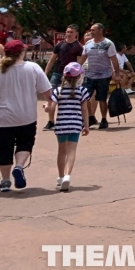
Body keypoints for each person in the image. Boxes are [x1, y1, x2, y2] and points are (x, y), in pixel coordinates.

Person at [0, 39, 53, 192]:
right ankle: (19, 166)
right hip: (26, 116)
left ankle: (5, 181)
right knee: (25, 143)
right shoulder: (33, 68)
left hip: (3, 117)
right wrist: (50, 104)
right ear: (21, 52)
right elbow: (48, 92)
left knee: (4, 149)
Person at [51, 62, 90, 191]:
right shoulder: (82, 91)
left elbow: (51, 108)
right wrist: (87, 126)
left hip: (61, 124)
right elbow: (84, 110)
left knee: (61, 152)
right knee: (72, 150)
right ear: (79, 77)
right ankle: (68, 175)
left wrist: (48, 112)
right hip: (76, 124)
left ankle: (60, 176)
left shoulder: (58, 90)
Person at [80, 23, 121, 129]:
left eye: (93, 30)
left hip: (104, 76)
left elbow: (114, 60)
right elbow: (83, 58)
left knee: (102, 99)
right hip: (89, 75)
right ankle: (91, 117)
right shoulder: (88, 43)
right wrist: (75, 68)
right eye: (90, 30)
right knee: (84, 97)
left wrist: (117, 74)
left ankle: (104, 119)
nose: (91, 32)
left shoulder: (108, 44)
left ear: (100, 31)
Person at [43, 25, 83, 130]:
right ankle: (51, 121)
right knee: (51, 96)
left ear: (76, 34)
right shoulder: (59, 45)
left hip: (70, 75)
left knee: (69, 96)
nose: (69, 34)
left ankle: (71, 120)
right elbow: (52, 60)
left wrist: (78, 75)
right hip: (57, 73)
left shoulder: (78, 47)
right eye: (67, 32)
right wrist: (45, 73)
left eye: (71, 32)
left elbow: (78, 63)